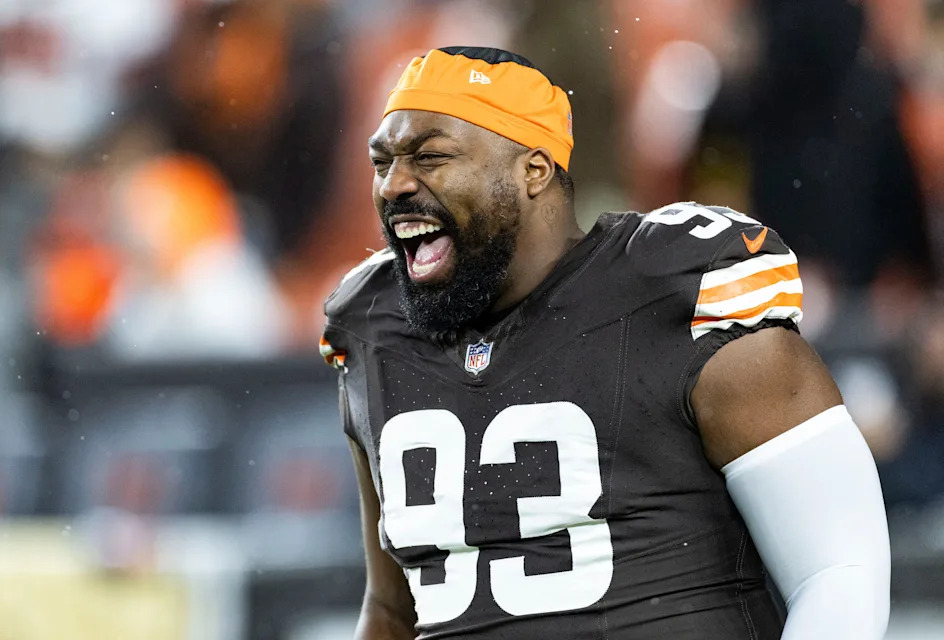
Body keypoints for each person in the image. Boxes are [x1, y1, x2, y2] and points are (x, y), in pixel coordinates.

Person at [320, 47, 890, 639]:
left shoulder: (678, 295)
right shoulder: (374, 330)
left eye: (430, 157)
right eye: (381, 163)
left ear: (533, 170)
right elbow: (392, 611)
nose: (394, 185)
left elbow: (838, 573)